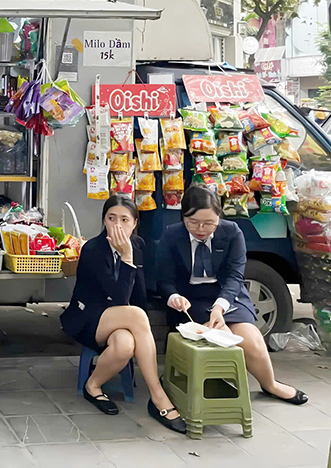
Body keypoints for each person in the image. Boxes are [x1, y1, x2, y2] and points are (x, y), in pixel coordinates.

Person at [157, 185, 308, 405]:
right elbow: (164, 280)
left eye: (209, 223)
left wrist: (219, 307)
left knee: (252, 340)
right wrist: (174, 298)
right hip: (191, 300)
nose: (201, 229)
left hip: (227, 295)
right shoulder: (172, 235)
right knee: (221, 338)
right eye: (193, 223)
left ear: (219, 217)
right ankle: (207, 382)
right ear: (183, 218)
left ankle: (271, 384)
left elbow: (235, 277)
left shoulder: (232, 233)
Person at [61, 196, 186, 433]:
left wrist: (130, 256)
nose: (117, 225)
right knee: (137, 316)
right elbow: (118, 298)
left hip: (120, 318)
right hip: (87, 317)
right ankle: (157, 395)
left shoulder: (137, 245)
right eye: (111, 218)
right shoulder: (93, 249)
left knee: (126, 344)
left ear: (135, 222)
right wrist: (126, 258)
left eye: (124, 219)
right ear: (103, 221)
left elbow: (137, 294)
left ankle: (93, 385)